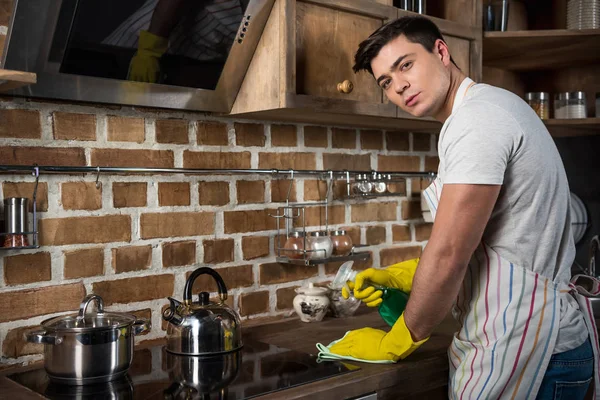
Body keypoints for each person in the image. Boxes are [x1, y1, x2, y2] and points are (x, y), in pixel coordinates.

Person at [330, 16, 600, 399]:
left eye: (405, 65)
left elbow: (451, 253)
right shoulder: (483, 111)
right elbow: (487, 242)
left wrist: (398, 341)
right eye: (386, 82)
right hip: (530, 339)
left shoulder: (477, 120)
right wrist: (401, 276)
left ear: (441, 51)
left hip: (531, 349)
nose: (399, 86)